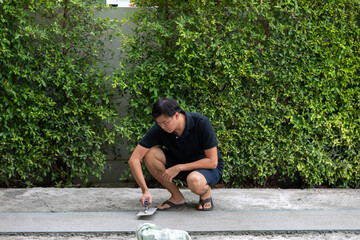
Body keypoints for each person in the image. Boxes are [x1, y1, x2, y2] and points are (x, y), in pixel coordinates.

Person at [128, 97, 223, 211]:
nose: (162, 126)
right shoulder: (160, 128)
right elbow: (134, 159)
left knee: (194, 180)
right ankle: (177, 197)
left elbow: (212, 162)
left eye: (165, 122)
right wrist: (145, 190)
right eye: (159, 123)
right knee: (150, 154)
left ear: (177, 115)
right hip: (181, 166)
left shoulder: (201, 122)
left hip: (207, 169)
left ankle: (205, 192)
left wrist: (179, 167)